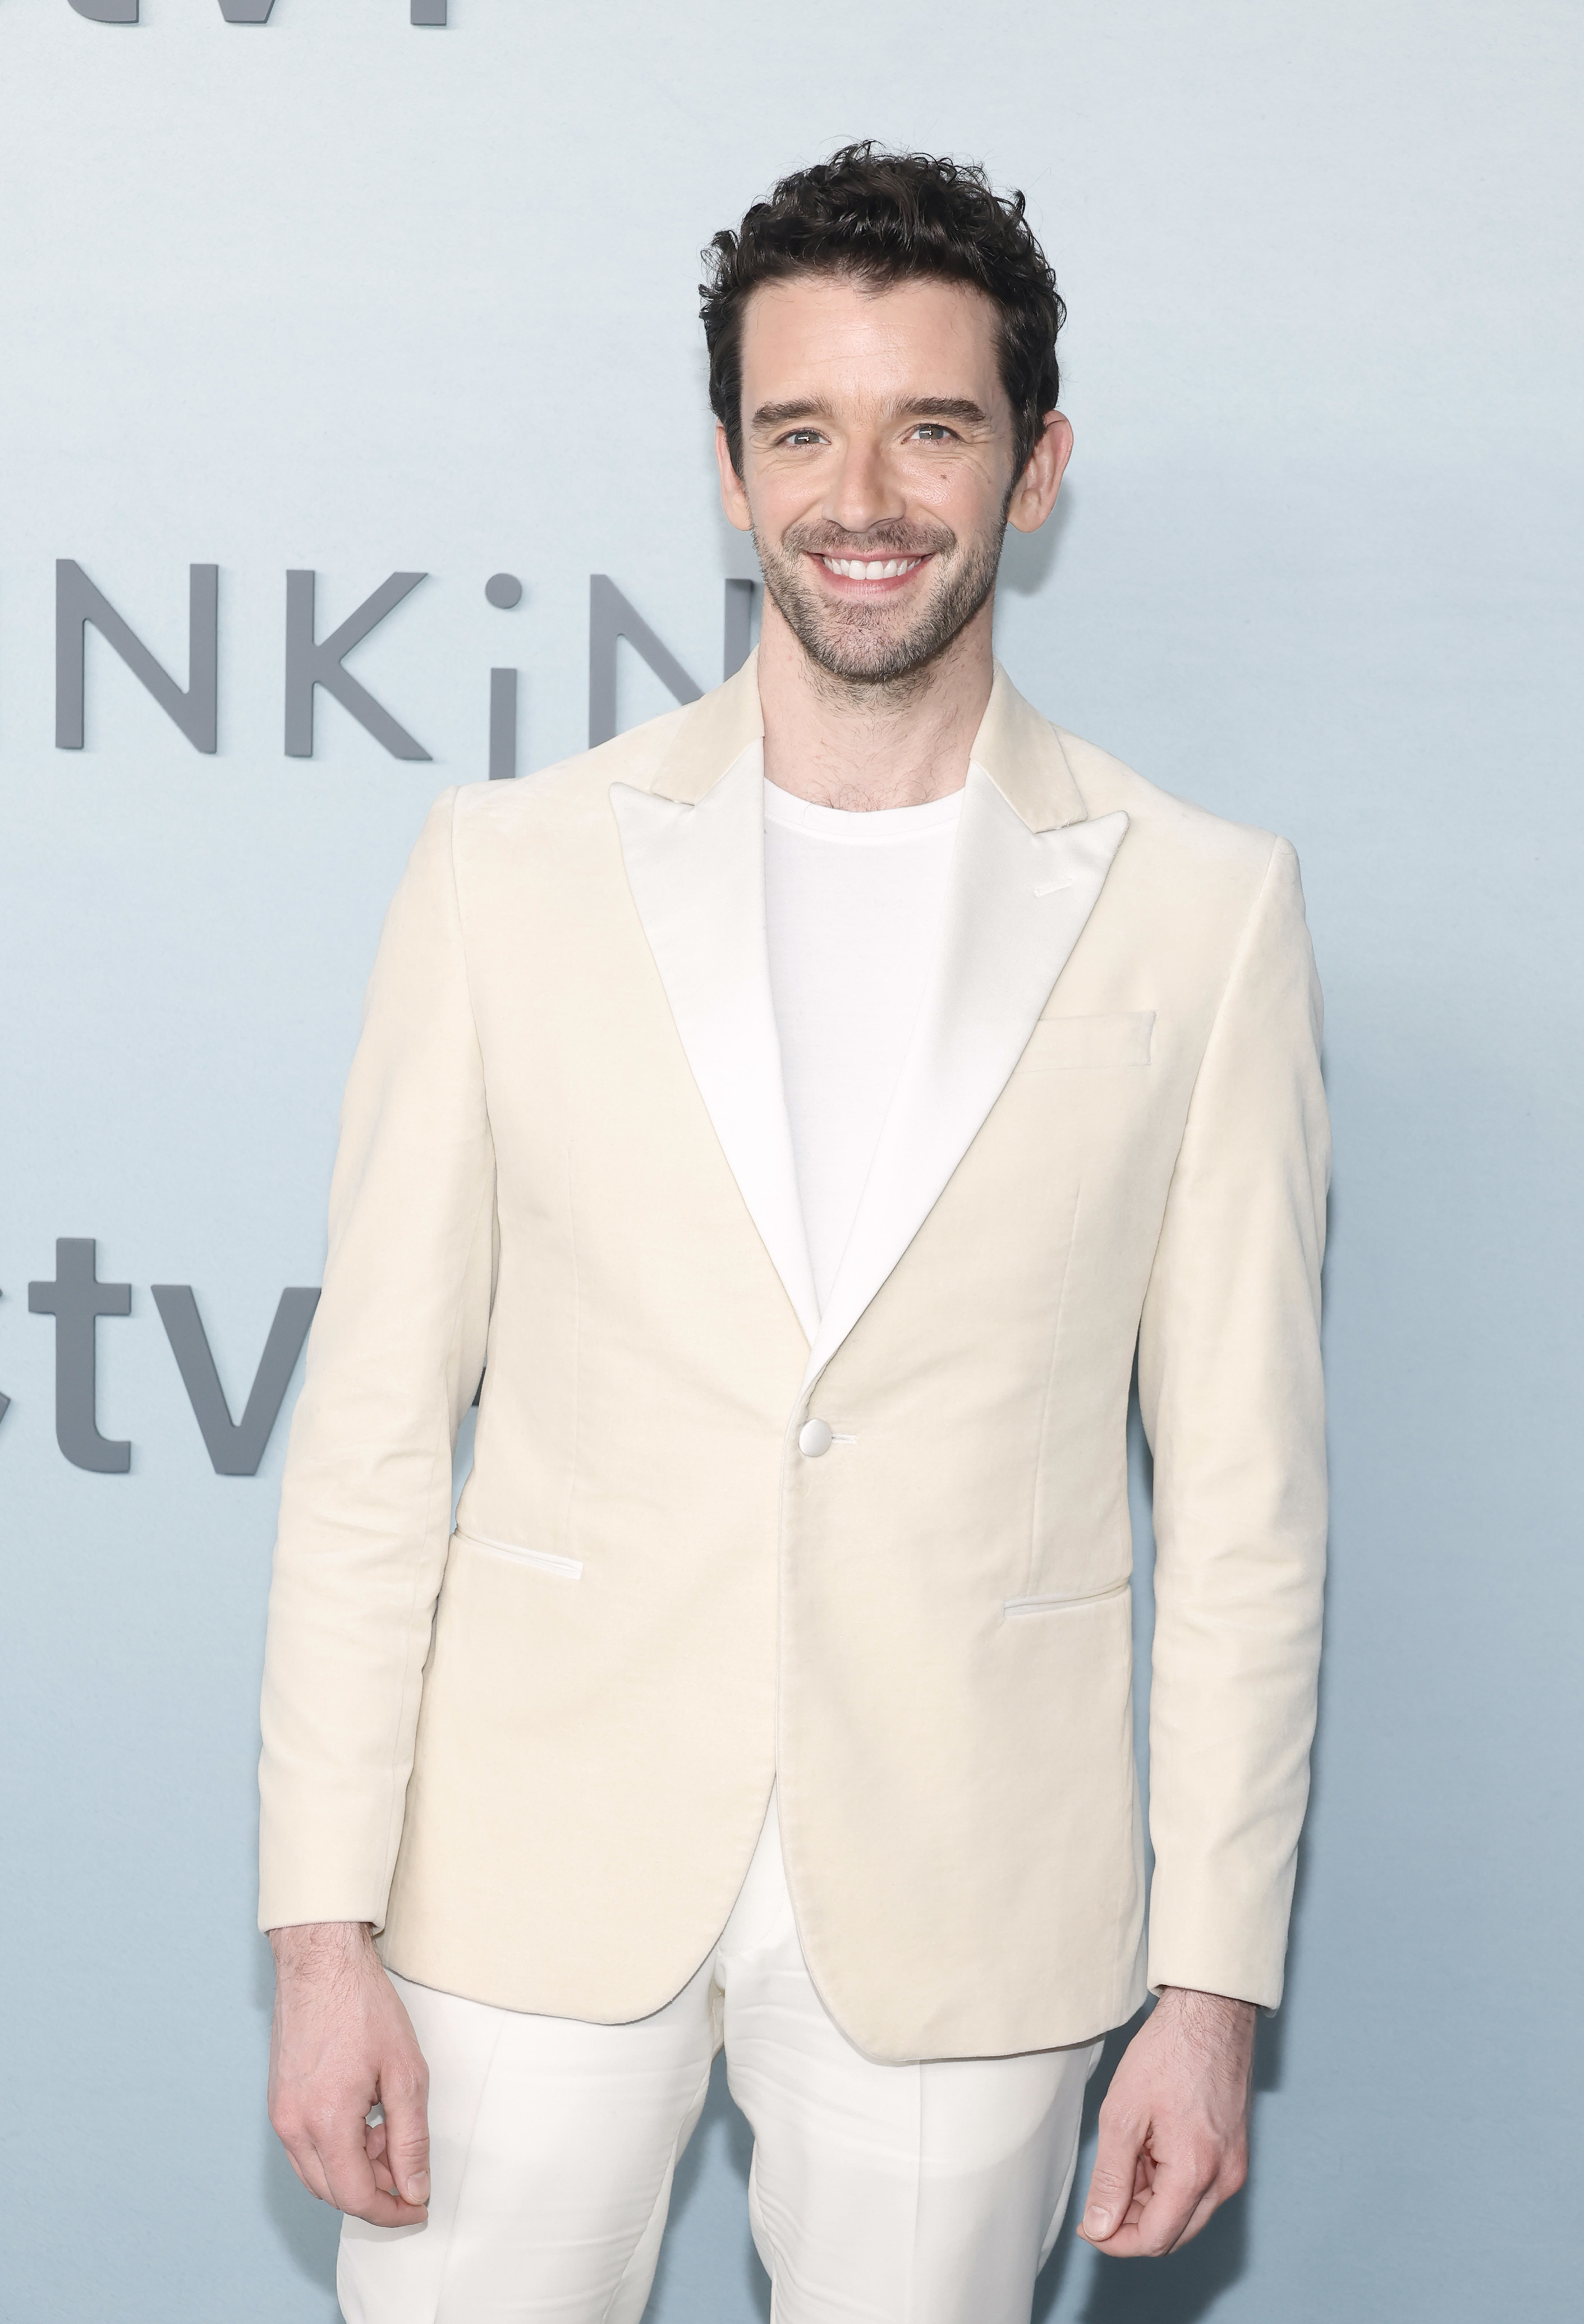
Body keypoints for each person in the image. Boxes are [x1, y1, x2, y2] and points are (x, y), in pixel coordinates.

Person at [258, 144, 1330, 2324]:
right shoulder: (507, 872)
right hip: (521, 1884)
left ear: (1035, 468)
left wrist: (1211, 1988)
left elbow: (1248, 1504)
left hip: (969, 1893)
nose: (866, 491)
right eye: (801, 429)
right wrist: (318, 1932)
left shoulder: (1204, 911)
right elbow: (368, 1436)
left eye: (933, 425)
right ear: (730, 475)